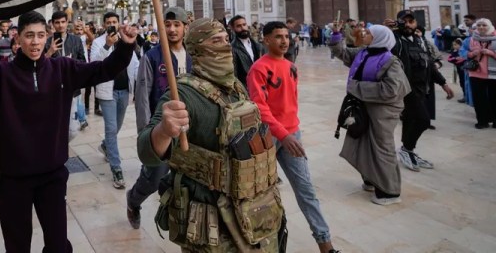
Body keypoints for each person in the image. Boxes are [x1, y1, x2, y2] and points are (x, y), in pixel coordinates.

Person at [0, 12, 136, 253]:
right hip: (14, 179)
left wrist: (125, 46)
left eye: (40, 35)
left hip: (52, 176)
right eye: (29, 35)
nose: (35, 42)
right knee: (17, 246)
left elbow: (103, 70)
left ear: (47, 37)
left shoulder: (62, 69)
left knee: (58, 245)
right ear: (18, 38)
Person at [137, 18, 284, 252]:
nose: (226, 46)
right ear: (197, 49)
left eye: (226, 39)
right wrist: (164, 130)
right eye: (216, 41)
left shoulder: (235, 86)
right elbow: (146, 151)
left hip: (253, 211)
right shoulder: (183, 94)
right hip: (211, 221)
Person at [247, 21, 339, 253]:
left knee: (306, 189)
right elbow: (260, 108)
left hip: (291, 134)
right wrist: (283, 134)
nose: (284, 41)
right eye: (278, 36)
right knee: (258, 194)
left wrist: (291, 132)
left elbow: (291, 103)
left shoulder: (291, 67)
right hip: (267, 137)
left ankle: (326, 244)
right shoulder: (259, 69)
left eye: (287, 36)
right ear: (266, 40)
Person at [329, 24, 410, 205]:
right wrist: (335, 34)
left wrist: (356, 87)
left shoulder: (391, 61)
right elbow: (342, 53)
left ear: (379, 38)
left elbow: (392, 90)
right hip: (365, 107)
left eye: (368, 34)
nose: (364, 35)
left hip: (383, 111)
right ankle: (371, 179)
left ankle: (390, 191)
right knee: (364, 143)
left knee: (382, 147)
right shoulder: (363, 53)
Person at [126, 7, 191, 229]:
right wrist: (146, 133)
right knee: (153, 178)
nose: (171, 29)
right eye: (167, 25)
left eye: (177, 25)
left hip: (187, 128)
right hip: (161, 130)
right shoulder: (152, 57)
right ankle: (133, 200)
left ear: (185, 27)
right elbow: (143, 97)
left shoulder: (192, 56)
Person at [388, 10, 453, 172]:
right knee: (423, 120)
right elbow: (381, 44)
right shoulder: (395, 41)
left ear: (416, 23)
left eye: (411, 21)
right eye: (404, 21)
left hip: (421, 88)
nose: (408, 25)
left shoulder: (419, 41)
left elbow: (429, 64)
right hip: (406, 90)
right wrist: (388, 30)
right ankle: (406, 149)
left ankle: (407, 150)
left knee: (410, 120)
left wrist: (443, 83)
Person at [91, 12, 140, 189]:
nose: (112, 24)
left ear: (119, 23)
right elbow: (94, 63)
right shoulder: (98, 42)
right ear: (104, 25)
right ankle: (116, 168)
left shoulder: (125, 40)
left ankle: (106, 146)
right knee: (111, 129)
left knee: (117, 127)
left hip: (124, 91)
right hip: (107, 92)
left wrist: (139, 88)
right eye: (108, 22)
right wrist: (107, 45)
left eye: (114, 21)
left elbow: (135, 65)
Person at [46, 11, 89, 130]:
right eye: (57, 22)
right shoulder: (47, 42)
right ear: (53, 24)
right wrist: (50, 52)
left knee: (73, 125)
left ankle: (80, 121)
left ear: (67, 22)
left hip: (72, 83)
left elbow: (83, 60)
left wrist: (71, 62)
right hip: (54, 84)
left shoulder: (76, 40)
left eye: (63, 22)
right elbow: (42, 65)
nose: (60, 25)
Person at [466, 18, 496, 129]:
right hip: (476, 73)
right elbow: (464, 52)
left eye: (484, 25)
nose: (481, 27)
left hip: (493, 73)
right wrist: (472, 53)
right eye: (479, 25)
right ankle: (482, 121)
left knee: (494, 98)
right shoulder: (472, 38)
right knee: (479, 99)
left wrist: (491, 53)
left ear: (489, 26)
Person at [229, 14, 262, 88]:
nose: (243, 28)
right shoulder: (232, 48)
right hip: (245, 87)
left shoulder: (257, 45)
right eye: (239, 26)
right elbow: (234, 74)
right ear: (233, 28)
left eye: (244, 25)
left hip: (260, 84)